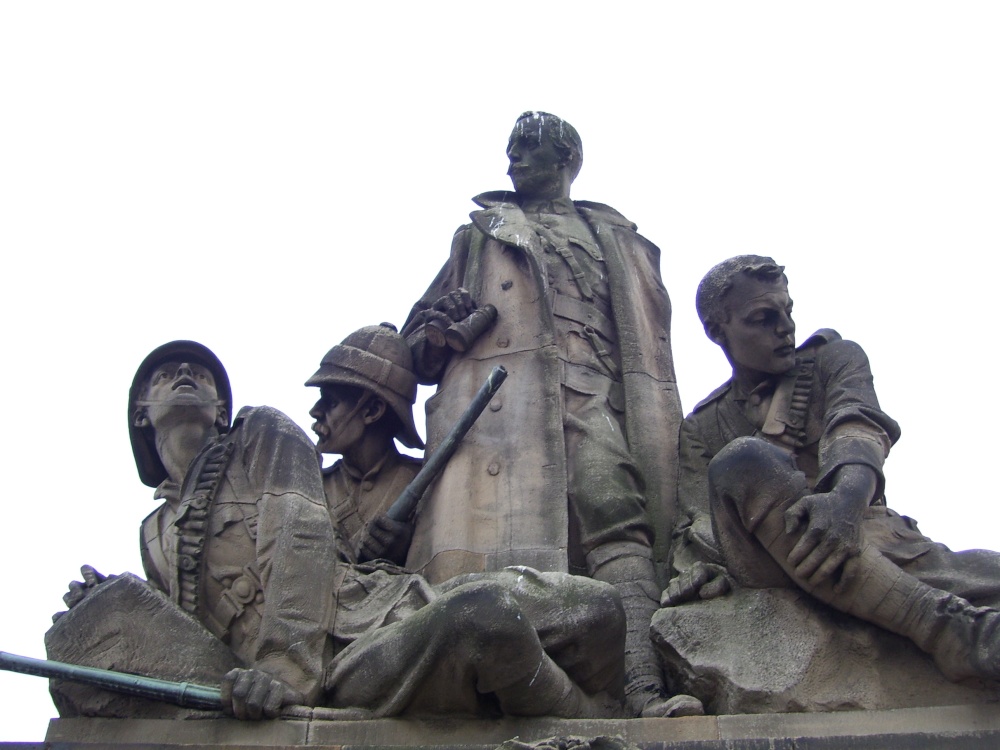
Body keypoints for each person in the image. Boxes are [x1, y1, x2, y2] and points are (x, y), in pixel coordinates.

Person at [60, 340, 630, 721]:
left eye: (201, 374)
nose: (186, 375)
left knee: (598, 608)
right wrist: (106, 604)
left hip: (353, 625)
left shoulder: (259, 433)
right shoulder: (153, 532)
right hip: (336, 670)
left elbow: (300, 534)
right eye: (166, 374)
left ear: (221, 408)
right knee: (489, 621)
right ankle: (589, 722)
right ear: (141, 412)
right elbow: (186, 640)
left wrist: (283, 669)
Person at [401, 111, 694, 717]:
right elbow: (415, 347)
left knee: (618, 515)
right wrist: (442, 324)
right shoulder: (480, 235)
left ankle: (641, 685)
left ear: (566, 158)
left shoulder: (617, 237)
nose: (512, 160)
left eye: (527, 147)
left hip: (600, 394)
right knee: (513, 551)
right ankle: (509, 686)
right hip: (507, 411)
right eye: (509, 149)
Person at [666, 255, 1000, 683]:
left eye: (787, 312)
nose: (785, 328)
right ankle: (944, 628)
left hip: (867, 531)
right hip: (766, 561)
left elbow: (857, 425)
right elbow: (698, 524)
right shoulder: (702, 425)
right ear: (718, 330)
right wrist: (699, 568)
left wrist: (845, 499)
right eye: (763, 318)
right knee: (742, 460)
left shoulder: (833, 359)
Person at [306, 324, 423, 565]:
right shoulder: (312, 487)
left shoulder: (423, 483)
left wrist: (413, 543)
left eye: (331, 402)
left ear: (372, 410)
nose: (315, 411)